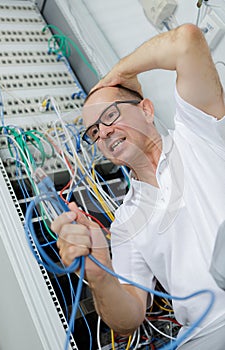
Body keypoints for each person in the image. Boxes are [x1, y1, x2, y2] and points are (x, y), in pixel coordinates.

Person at [51, 23, 225, 349]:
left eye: (110, 115)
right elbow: (128, 317)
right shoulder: (126, 223)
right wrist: (99, 275)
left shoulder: (199, 132)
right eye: (93, 132)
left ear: (146, 109)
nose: (103, 133)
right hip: (206, 338)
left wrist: (118, 72)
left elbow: (187, 40)